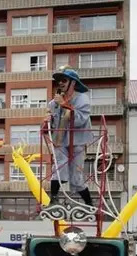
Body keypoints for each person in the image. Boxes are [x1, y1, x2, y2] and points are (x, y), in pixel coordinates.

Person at [45, 65, 93, 207]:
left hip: (77, 142)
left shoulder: (82, 99)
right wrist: (46, 121)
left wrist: (65, 105)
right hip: (59, 141)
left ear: (73, 82)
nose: (60, 83)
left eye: (63, 80)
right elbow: (50, 119)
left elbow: (79, 120)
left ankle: (89, 203)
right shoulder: (54, 103)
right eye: (58, 81)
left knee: (76, 176)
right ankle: (53, 199)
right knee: (59, 167)